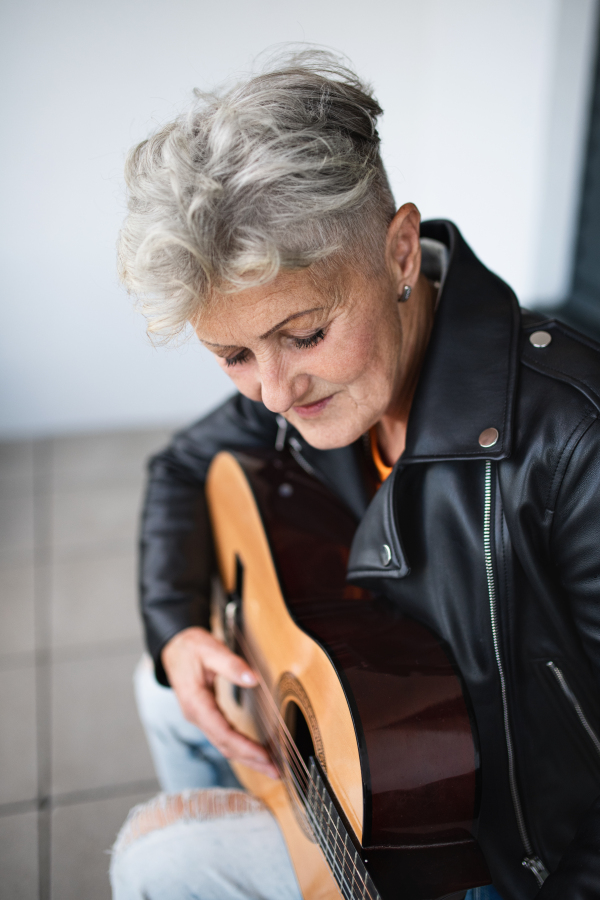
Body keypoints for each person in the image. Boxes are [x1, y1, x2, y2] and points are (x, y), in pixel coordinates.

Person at [110, 50, 600, 900]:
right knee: (163, 683)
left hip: (507, 857)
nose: (275, 393)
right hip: (378, 753)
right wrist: (173, 628)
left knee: (157, 862)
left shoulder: (575, 443)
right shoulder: (326, 389)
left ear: (400, 252)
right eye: (234, 354)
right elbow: (187, 464)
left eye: (305, 334)